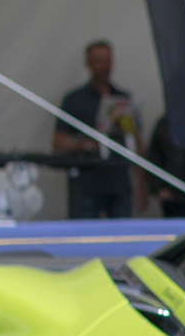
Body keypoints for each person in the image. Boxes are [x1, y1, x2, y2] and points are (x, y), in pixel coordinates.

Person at [53, 40, 142, 219]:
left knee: (122, 239)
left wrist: (141, 186)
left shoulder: (123, 98)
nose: (104, 66)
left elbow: (137, 143)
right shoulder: (74, 99)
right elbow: (58, 141)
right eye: (98, 61)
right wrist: (84, 144)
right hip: (87, 184)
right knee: (85, 238)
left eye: (108, 60)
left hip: (119, 183)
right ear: (88, 64)